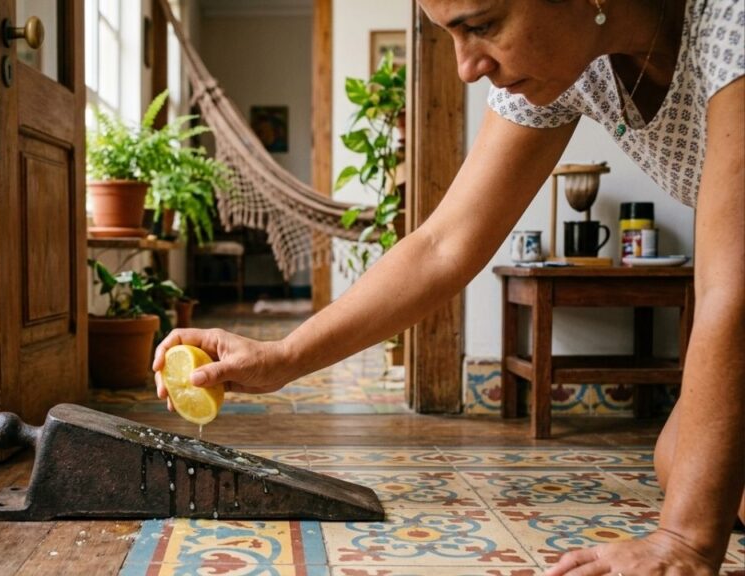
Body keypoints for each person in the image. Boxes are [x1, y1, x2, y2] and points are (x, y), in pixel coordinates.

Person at [154, 0, 744, 573]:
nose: (466, 68)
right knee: (681, 461)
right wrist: (282, 357)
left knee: (705, 489)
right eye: (451, 36)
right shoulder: (577, 66)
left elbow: (730, 289)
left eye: (482, 25)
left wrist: (684, 540)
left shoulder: (730, 22)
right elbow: (443, 245)